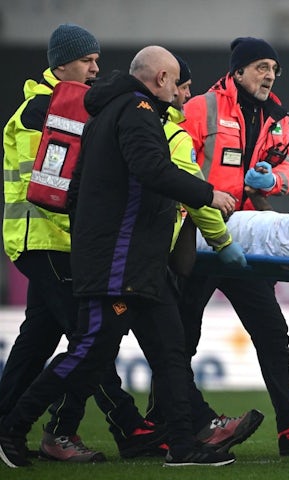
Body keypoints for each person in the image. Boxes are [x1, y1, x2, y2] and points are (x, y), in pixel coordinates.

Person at [0, 45, 245, 469]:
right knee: (88, 352)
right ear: (161, 80)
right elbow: (152, 169)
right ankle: (12, 428)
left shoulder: (103, 117)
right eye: (175, 82)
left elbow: (76, 190)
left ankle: (183, 446)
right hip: (120, 264)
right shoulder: (137, 112)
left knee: (170, 351)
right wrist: (208, 194)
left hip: (135, 261)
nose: (179, 94)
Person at [1, 23, 166, 462]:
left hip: (50, 240)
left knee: (37, 342)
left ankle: (11, 426)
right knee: (91, 340)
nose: (96, 68)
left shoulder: (62, 106)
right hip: (46, 239)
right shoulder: (44, 109)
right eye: (86, 61)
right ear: (61, 65)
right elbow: (52, 187)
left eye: (96, 59)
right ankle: (126, 427)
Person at [179, 37, 289, 456]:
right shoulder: (200, 107)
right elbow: (176, 165)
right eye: (261, 67)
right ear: (237, 72)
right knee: (180, 337)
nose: (270, 75)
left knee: (272, 333)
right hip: (199, 237)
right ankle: (166, 422)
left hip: (243, 236)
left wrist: (271, 182)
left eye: (274, 68)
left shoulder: (277, 116)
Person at [144, 53, 265, 452]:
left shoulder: (134, 124)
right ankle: (183, 434)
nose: (189, 93)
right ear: (165, 82)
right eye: (183, 85)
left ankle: (163, 430)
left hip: (134, 254)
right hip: (141, 258)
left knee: (162, 346)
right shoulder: (174, 133)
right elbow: (195, 194)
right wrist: (224, 243)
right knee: (155, 345)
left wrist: (273, 179)